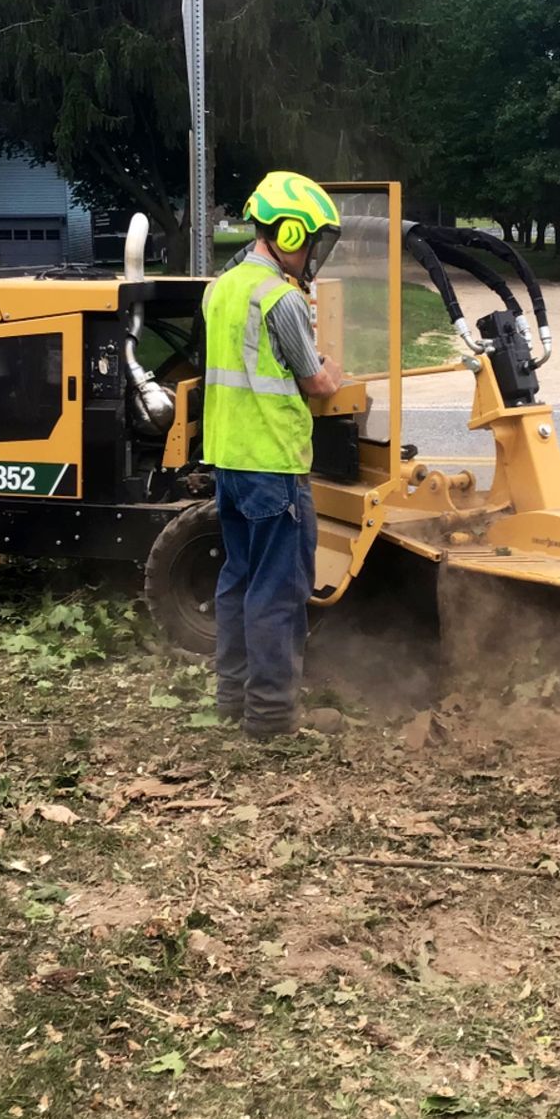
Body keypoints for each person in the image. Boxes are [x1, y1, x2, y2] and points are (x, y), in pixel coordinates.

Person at [201, 172, 345, 737]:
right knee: (279, 590)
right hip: (274, 466)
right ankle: (272, 716)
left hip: (229, 461)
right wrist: (330, 371)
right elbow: (317, 383)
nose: (312, 254)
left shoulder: (222, 288)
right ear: (287, 233)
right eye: (310, 240)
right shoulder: (279, 299)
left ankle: (231, 700)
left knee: (237, 580)